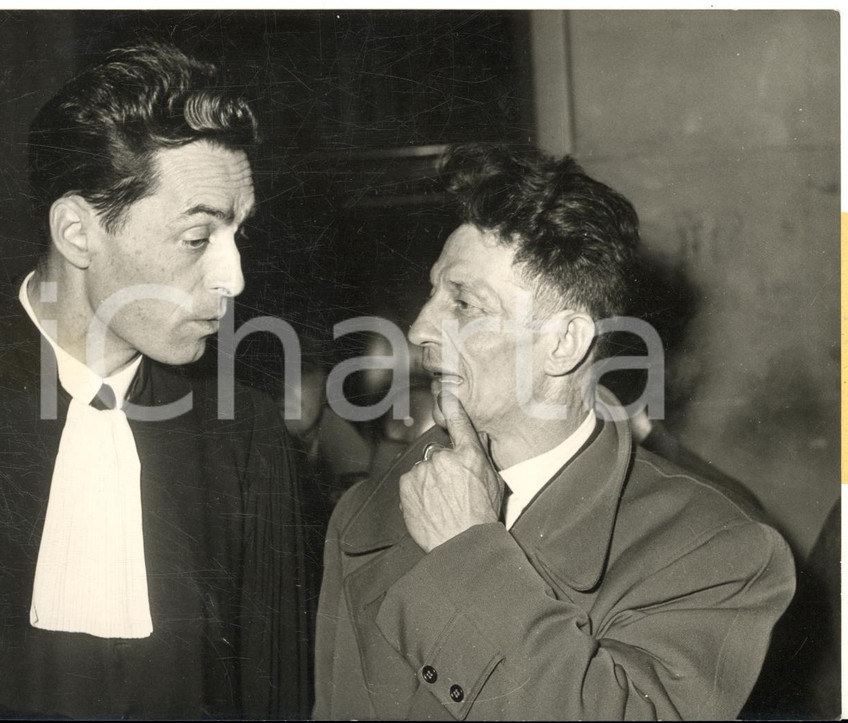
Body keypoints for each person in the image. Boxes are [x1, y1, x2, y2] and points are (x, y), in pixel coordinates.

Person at [0, 42, 310, 719]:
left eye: (237, 234)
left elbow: (275, 695)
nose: (233, 277)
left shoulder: (244, 432)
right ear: (76, 231)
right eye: (197, 238)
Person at [313, 144, 796, 720]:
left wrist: (466, 554)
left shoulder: (715, 552)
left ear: (564, 343)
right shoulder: (366, 511)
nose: (419, 328)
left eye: (463, 303)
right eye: (433, 292)